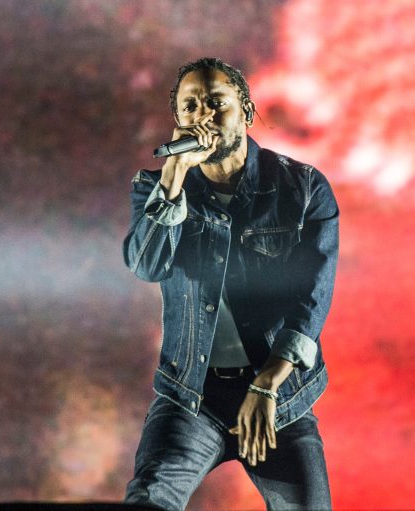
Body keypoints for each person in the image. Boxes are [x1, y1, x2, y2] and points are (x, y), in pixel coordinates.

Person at [122, 57, 339, 511]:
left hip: (278, 394)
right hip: (192, 394)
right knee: (147, 500)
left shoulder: (302, 189)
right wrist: (175, 179)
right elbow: (147, 265)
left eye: (217, 103)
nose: (204, 116)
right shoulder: (156, 187)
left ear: (245, 108)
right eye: (191, 106)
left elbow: (311, 300)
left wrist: (267, 386)